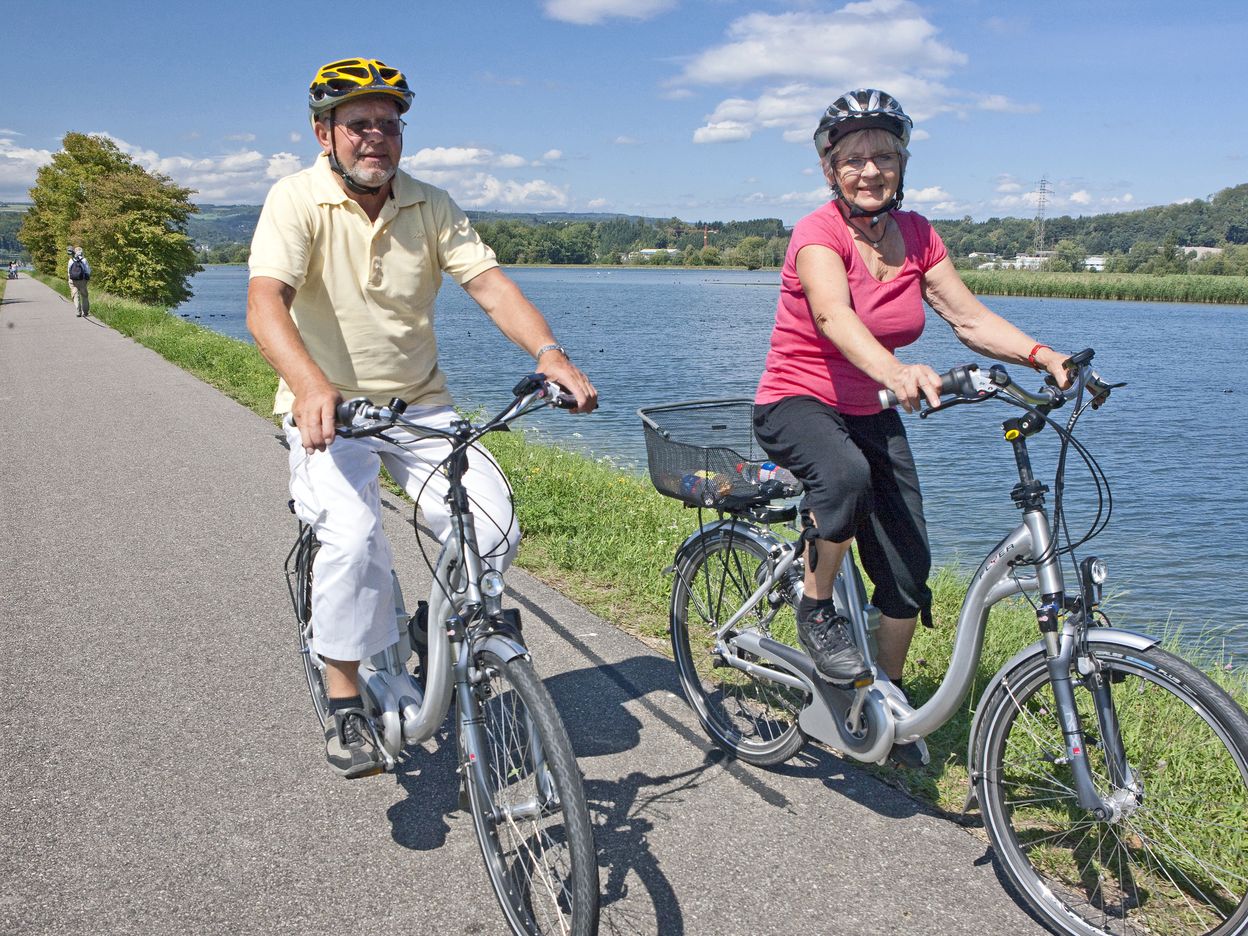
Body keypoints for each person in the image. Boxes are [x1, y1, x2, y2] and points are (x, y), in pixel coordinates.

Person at [247, 57, 597, 779]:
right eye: (357, 124)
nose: (374, 136)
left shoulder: (431, 204)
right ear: (324, 133)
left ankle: (428, 628)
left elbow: (491, 288)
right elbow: (264, 303)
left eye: (388, 123)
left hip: (420, 406)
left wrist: (550, 352)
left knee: (493, 526)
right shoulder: (296, 200)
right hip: (332, 413)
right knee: (351, 538)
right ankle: (345, 698)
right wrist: (311, 386)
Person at [753, 89, 1069, 764]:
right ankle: (816, 609)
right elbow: (836, 319)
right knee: (843, 476)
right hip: (796, 401)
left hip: (870, 408)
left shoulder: (920, 234)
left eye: (884, 156)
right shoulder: (817, 234)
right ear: (830, 170)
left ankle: (882, 706)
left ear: (901, 164)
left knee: (906, 571)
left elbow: (969, 317)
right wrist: (895, 374)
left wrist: (1045, 355)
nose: (870, 170)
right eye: (854, 159)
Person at [67, 248, 91, 316]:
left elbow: (69, 272)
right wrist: (87, 278)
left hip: (73, 281)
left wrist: (69, 279)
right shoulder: (84, 260)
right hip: (82, 280)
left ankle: (78, 312)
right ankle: (85, 312)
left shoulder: (71, 260)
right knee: (84, 296)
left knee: (75, 296)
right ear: (82, 252)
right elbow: (88, 270)